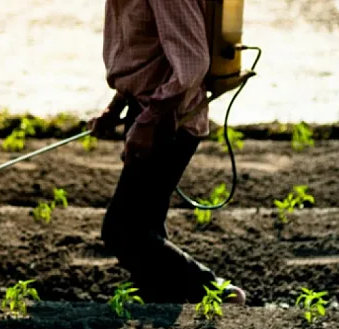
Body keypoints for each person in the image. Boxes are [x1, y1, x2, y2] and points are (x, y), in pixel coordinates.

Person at [90, 0, 246, 305]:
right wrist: (116, 107)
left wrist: (150, 122)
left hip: (170, 119)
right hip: (147, 111)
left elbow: (192, 62)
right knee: (144, 224)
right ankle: (160, 303)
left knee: (124, 230)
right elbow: (148, 55)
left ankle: (217, 291)